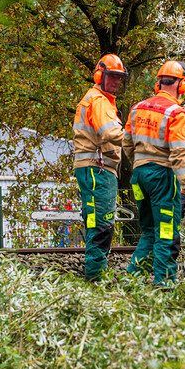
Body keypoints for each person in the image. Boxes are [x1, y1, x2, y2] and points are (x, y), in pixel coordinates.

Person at [123, 60, 185, 287]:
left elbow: (126, 144)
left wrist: (141, 163)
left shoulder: (138, 108)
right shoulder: (177, 114)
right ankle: (164, 283)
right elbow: (179, 154)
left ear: (159, 83)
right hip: (162, 176)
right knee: (165, 230)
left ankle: (132, 278)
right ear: (181, 85)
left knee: (148, 231)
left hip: (139, 176)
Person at [73, 53, 128, 280]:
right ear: (100, 75)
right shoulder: (99, 102)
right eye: (112, 77)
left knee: (96, 220)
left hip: (93, 168)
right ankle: (95, 274)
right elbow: (109, 132)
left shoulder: (98, 100)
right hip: (98, 168)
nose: (115, 82)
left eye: (118, 78)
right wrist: (133, 137)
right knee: (102, 223)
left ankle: (94, 271)